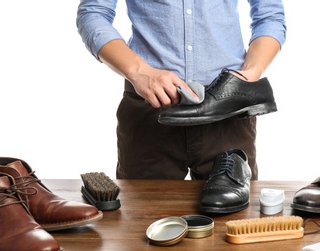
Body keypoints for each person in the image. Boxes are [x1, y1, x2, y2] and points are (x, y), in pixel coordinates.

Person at [76, 1, 286, 181]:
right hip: (150, 103)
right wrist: (140, 72)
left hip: (228, 107)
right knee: (142, 218)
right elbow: (93, 13)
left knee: (232, 222)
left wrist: (249, 74)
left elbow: (270, 15)